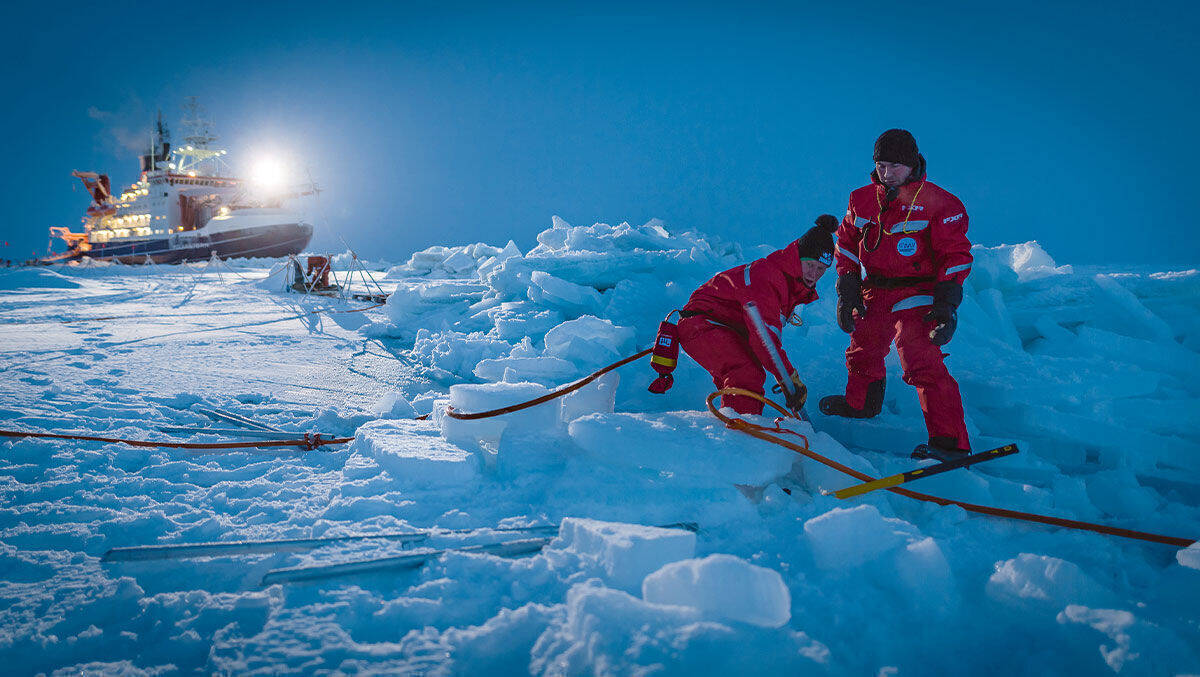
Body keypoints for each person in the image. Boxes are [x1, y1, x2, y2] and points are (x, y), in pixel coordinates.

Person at [818, 129, 973, 459]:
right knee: (863, 346)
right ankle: (861, 404)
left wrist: (947, 303)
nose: (886, 174)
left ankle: (949, 443)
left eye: (894, 166)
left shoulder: (941, 203)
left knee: (918, 356)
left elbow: (955, 256)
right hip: (875, 288)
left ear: (913, 164)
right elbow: (845, 246)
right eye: (880, 165)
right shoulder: (861, 199)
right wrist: (848, 290)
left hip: (918, 291)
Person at [677, 215, 838, 415]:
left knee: (745, 374)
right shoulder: (769, 277)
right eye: (810, 265)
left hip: (719, 326)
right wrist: (788, 377)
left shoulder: (787, 286)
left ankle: (736, 422)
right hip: (702, 324)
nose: (814, 274)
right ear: (797, 258)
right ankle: (740, 433)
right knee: (746, 373)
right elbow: (764, 339)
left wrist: (787, 378)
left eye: (821, 269)